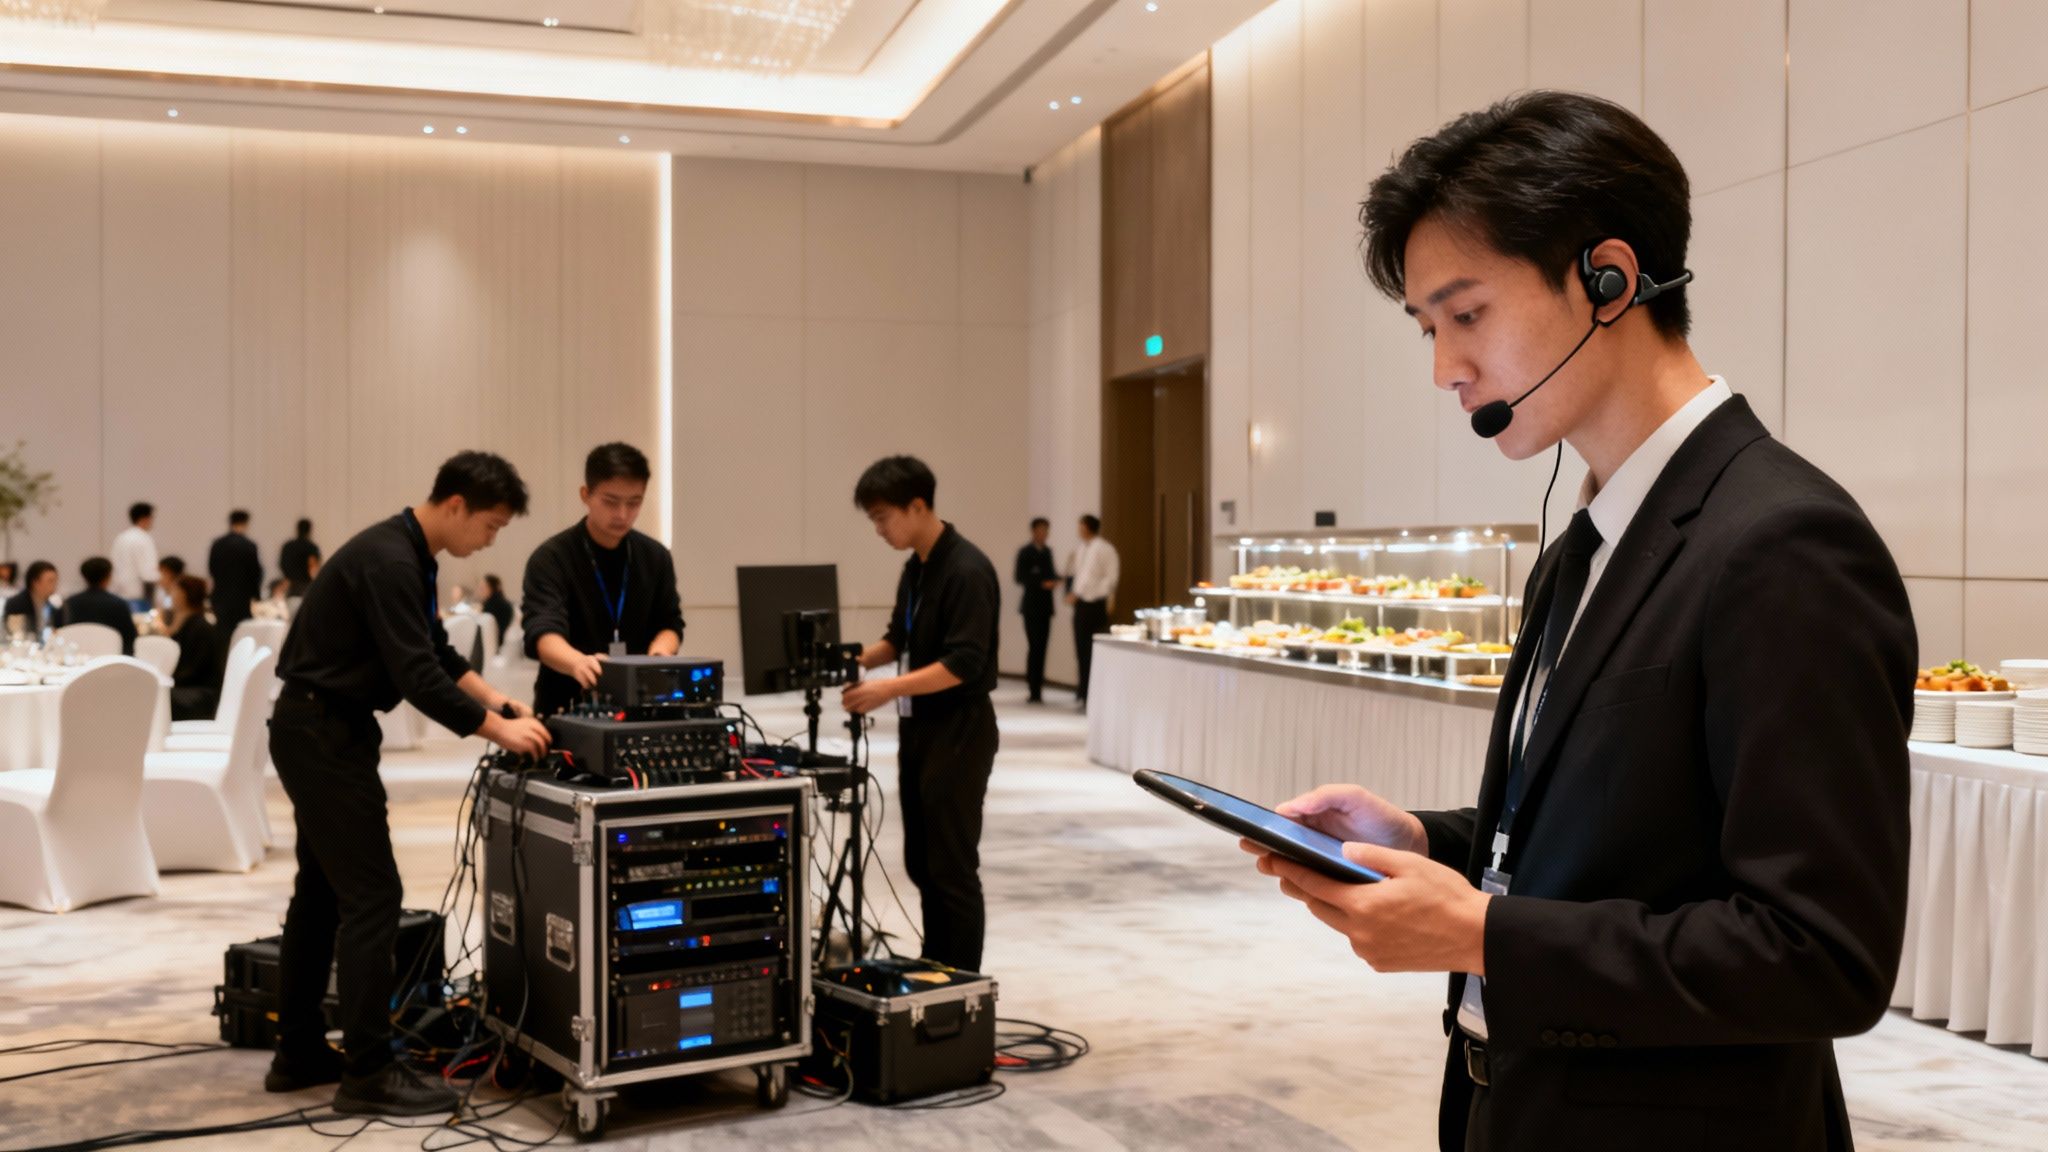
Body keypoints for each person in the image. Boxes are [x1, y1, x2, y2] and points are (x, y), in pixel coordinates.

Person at [1240, 92, 1914, 1152]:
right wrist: (1426, 843)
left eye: (1465, 315)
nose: (1442, 368)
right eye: (1427, 327)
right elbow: (1612, 847)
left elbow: (1818, 955)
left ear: (1606, 277)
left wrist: (1483, 936)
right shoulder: (1582, 546)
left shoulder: (1779, 543)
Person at [267, 451, 550, 1116]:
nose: (489, 539)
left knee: (322, 893)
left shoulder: (407, 552)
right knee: (373, 897)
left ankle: (299, 1051)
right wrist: (498, 731)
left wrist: (501, 703)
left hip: (320, 729)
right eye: (489, 525)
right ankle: (367, 1073)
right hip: (322, 734)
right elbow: (418, 678)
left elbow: (438, 654)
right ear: (455, 505)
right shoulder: (392, 559)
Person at [842, 456, 1001, 972]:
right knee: (923, 863)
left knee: (951, 867)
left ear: (918, 506)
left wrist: (885, 690)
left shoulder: (967, 570)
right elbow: (897, 639)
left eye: (884, 517)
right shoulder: (917, 568)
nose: (880, 530)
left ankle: (960, 986)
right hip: (921, 729)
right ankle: (936, 967)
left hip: (960, 729)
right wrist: (851, 659)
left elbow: (963, 662)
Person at [520, 442, 684, 717]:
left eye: (634, 503)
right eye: (610, 502)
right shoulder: (551, 558)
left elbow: (670, 623)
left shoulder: (655, 557)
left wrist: (659, 656)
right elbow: (542, 632)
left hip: (642, 705)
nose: (622, 514)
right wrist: (577, 663)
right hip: (567, 702)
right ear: (585, 494)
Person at [1064, 514, 1119, 707]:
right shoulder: (1081, 549)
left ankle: (1093, 693)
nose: (1079, 529)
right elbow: (1079, 575)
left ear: (1088, 527)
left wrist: (1094, 593)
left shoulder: (1105, 549)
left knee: (1093, 649)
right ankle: (1082, 691)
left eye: (1081, 526)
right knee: (1080, 649)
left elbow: (1110, 578)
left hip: (1095, 604)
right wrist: (1074, 593)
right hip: (1081, 604)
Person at [164, 574, 224, 721]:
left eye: (175, 591)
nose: (171, 595)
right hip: (191, 689)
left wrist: (167, 681)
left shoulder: (200, 627)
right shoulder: (189, 623)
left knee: (154, 696)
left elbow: (193, 669)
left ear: (185, 594)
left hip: (201, 695)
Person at [1013, 518, 1060, 703]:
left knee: (1043, 647)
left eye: (1046, 530)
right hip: (1031, 607)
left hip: (1046, 607)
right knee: (1034, 647)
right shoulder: (1025, 552)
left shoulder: (1048, 552)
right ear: (1033, 531)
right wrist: (1041, 582)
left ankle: (1039, 688)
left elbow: (1051, 573)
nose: (1043, 533)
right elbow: (1020, 577)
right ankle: (1033, 688)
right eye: (1040, 530)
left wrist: (1056, 580)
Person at [62, 557, 138, 655]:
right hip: (110, 659)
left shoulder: (69, 603)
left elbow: (62, 633)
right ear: (108, 576)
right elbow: (130, 638)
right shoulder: (118, 603)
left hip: (77, 658)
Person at [209, 509, 265, 638]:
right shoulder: (249, 545)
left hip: (220, 597)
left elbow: (212, 569)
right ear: (245, 523)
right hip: (241, 599)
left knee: (222, 636)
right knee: (241, 635)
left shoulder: (218, 544)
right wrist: (256, 595)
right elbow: (254, 573)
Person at [110, 501, 159, 609]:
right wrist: (151, 603)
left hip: (118, 595)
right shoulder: (144, 539)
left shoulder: (120, 538)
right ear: (145, 518)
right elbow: (148, 574)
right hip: (138, 598)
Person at [2, 560, 60, 635]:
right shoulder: (16, 604)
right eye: (50, 581)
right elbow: (14, 633)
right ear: (35, 582)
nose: (55, 585)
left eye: (56, 581)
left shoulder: (52, 606)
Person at [280, 518, 321, 596]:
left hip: (289, 585)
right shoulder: (311, 547)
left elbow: (282, 564)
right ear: (309, 530)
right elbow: (313, 567)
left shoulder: (288, 546)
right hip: (305, 586)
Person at [479, 574, 514, 644]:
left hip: (492, 642)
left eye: (483, 587)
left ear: (491, 587)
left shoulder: (492, 605)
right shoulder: (504, 602)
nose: (480, 591)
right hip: (499, 641)